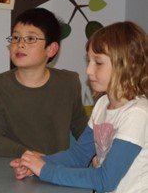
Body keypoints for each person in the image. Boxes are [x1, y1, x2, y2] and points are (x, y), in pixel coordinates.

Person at [10, 21, 148, 192]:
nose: (89, 70)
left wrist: (45, 170)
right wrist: (36, 164)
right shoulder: (102, 105)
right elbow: (78, 156)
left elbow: (105, 180)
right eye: (88, 61)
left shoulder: (137, 114)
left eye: (98, 62)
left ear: (126, 64)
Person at [0, 8, 88, 157]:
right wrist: (30, 156)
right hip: (10, 171)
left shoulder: (69, 83)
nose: (20, 44)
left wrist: (96, 154)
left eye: (30, 39)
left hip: (55, 172)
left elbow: (81, 127)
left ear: (51, 49)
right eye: (16, 38)